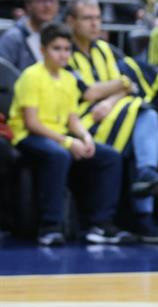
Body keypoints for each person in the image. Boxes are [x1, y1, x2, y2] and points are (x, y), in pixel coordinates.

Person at [7, 23, 132, 246]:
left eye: (67, 49)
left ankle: (100, 225)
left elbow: (72, 119)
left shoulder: (69, 79)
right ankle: (50, 227)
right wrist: (67, 142)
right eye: (57, 49)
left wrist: (85, 137)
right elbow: (32, 123)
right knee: (58, 155)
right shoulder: (31, 76)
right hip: (28, 136)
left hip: (60, 135)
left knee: (109, 156)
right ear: (43, 50)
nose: (63, 54)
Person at [64, 0, 158, 242]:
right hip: (79, 121)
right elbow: (88, 92)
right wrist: (119, 86)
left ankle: (146, 182)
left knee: (145, 115)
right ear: (71, 21)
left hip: (111, 113)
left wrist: (110, 99)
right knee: (143, 114)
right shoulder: (63, 49)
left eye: (97, 18)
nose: (95, 24)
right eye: (87, 18)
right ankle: (143, 205)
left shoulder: (105, 49)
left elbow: (128, 87)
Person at [0, 0, 59, 70]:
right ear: (28, 4)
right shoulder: (13, 38)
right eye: (41, 0)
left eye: (52, 0)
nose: (47, 5)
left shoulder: (60, 35)